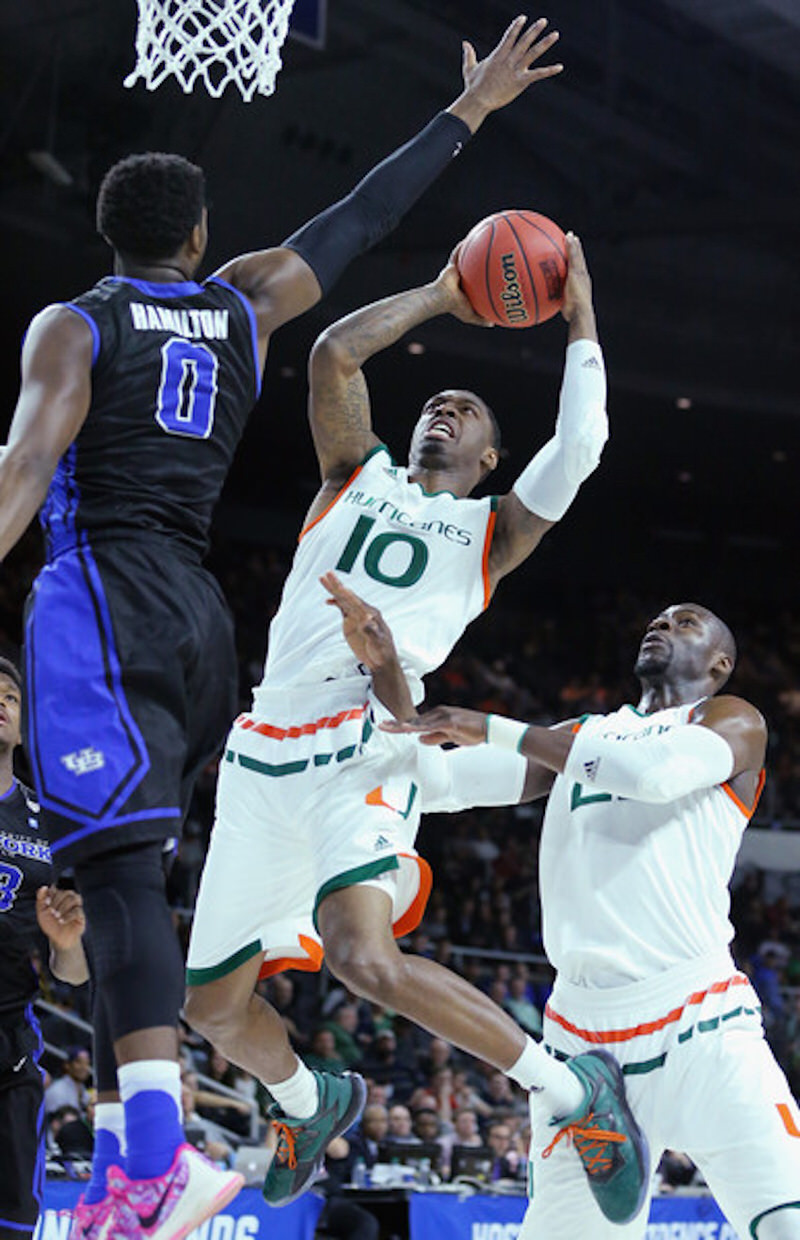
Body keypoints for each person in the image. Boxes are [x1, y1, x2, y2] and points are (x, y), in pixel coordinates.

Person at [0, 18, 564, 1240]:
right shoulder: (241, 304)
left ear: (106, 241)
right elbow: (354, 218)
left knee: (112, 893)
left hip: (105, 601)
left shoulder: (72, 325)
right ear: (200, 240)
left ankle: (147, 1161)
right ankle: (163, 1150)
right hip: (212, 636)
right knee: (133, 913)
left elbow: (25, 466)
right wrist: (464, 119)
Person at [184, 234, 649, 1226]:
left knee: (364, 956)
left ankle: (571, 1090)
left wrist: (581, 323)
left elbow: (581, 450)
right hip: (264, 749)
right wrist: (443, 291)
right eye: (437, 403)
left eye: (467, 413)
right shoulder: (354, 475)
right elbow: (332, 358)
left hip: (369, 735)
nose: (444, 409)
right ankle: (311, 1106)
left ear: (488, 459)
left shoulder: (490, 535)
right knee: (211, 1010)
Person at [386, 602, 800, 1237]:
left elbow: (655, 776)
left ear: (721, 663)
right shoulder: (585, 734)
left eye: (685, 622)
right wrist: (360, 722)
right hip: (582, 1046)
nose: (661, 625)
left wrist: (499, 727)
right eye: (657, 619)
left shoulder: (730, 719)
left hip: (698, 1021)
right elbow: (442, 782)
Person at [0, 657, 88, 1240]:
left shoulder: (47, 825)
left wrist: (67, 943)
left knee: (14, 1223)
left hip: (8, 1038)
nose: (0, 701)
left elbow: (73, 976)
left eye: (9, 694)